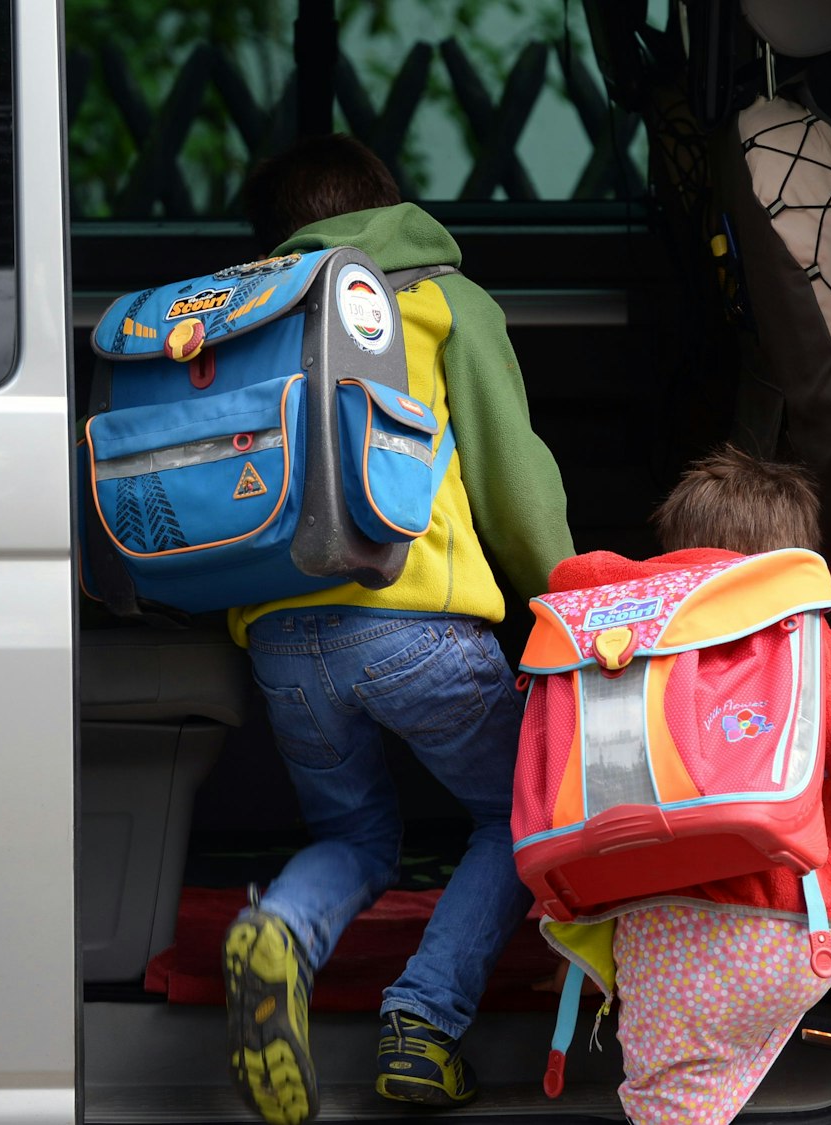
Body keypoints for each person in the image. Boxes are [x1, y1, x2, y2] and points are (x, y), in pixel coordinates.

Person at [219, 134, 575, 1124]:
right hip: (417, 624)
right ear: (388, 205)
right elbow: (514, 486)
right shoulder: (438, 298)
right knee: (525, 814)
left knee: (355, 835)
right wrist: (573, 605)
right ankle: (422, 1024)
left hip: (280, 638)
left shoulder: (245, 313)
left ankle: (282, 930)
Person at [542, 445, 831, 1125]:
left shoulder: (613, 654)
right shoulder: (812, 648)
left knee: (670, 1107)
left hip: (650, 931)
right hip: (785, 926)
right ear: (791, 563)